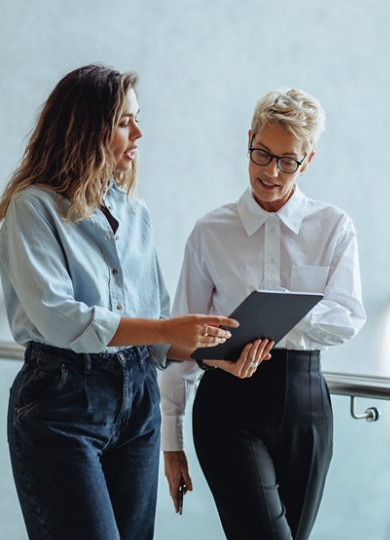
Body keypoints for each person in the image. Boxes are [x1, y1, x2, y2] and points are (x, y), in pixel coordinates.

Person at [0, 64, 238, 540]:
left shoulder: (135, 211)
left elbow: (156, 325)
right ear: (86, 130)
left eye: (136, 119)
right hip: (62, 401)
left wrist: (212, 349)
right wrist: (166, 331)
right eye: (125, 122)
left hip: (138, 395)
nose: (139, 132)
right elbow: (61, 318)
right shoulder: (33, 208)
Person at [159, 88, 367, 540]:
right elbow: (180, 339)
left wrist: (282, 314)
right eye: (262, 154)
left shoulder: (334, 226)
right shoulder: (209, 232)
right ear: (249, 140)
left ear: (307, 160)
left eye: (287, 161)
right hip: (227, 407)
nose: (271, 172)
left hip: (305, 404)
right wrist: (171, 442)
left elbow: (349, 316)